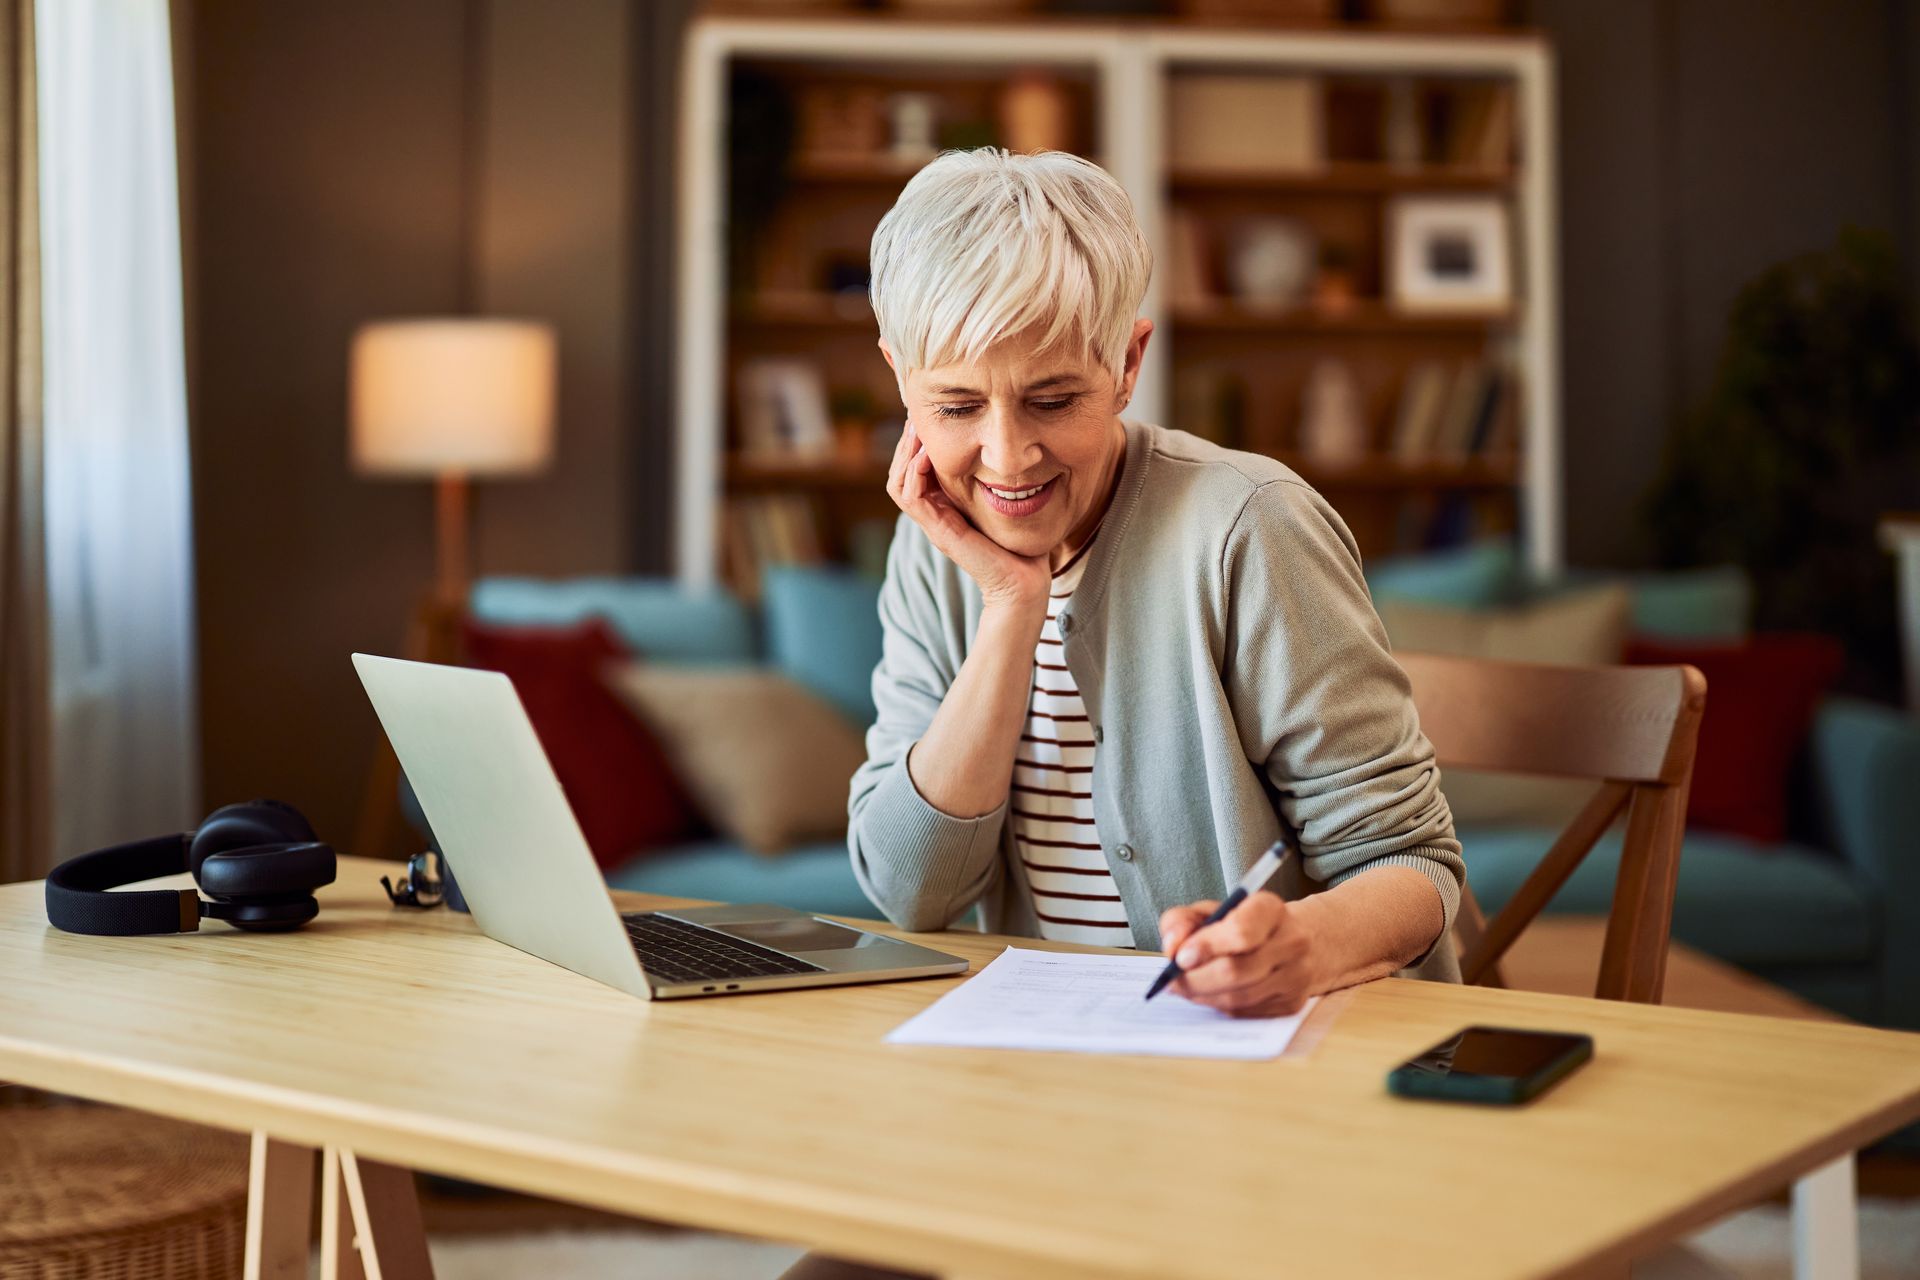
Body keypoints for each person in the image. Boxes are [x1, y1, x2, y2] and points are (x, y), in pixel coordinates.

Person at [784, 146, 1467, 1280]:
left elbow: (1413, 863)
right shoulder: (933, 544)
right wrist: (1010, 601)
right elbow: (907, 883)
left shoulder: (1251, 527)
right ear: (900, 376)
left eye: (1053, 398)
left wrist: (1301, 945)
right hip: (1040, 1113)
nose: (1005, 455)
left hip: (1284, 1103)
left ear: (1129, 359)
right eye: (955, 404)